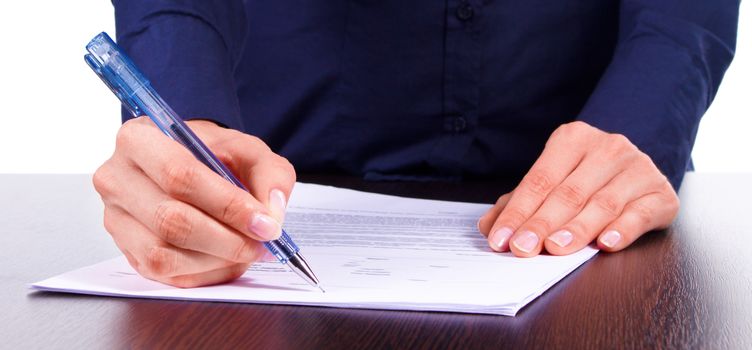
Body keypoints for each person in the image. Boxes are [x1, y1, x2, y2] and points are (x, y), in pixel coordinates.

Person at [93, 1, 739, 287]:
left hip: (569, 218)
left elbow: (683, 17)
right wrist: (188, 122)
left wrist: (639, 123)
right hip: (276, 187)